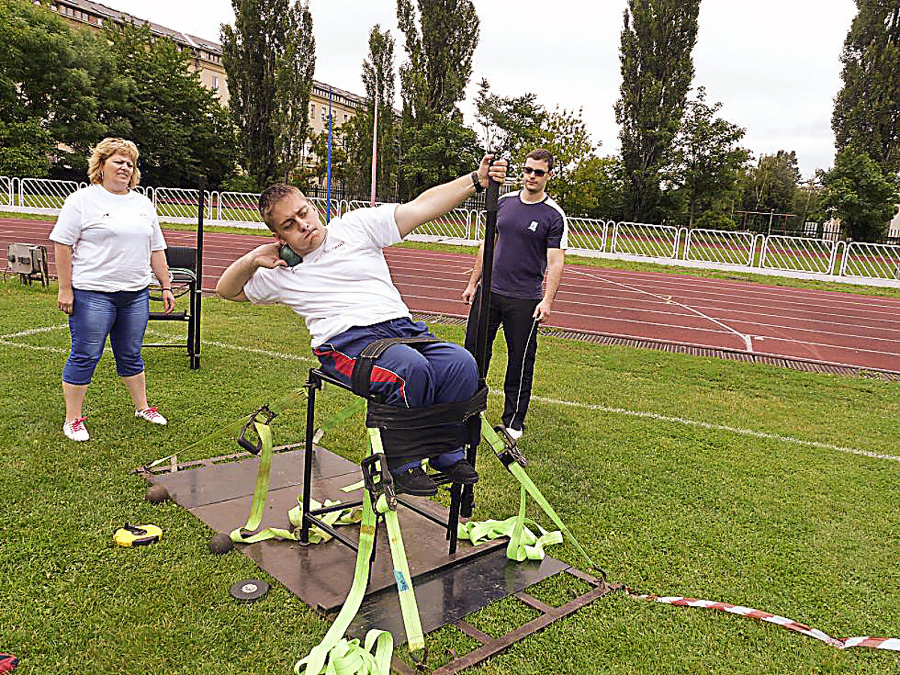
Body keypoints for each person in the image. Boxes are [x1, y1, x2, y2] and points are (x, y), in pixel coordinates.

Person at [216, 155, 507, 496]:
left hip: (401, 329)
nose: (303, 224)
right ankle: (400, 463)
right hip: (346, 343)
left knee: (462, 364)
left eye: (303, 213)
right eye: (290, 225)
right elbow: (227, 290)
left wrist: (476, 179)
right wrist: (252, 258)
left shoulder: (356, 226)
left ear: (312, 205)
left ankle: (446, 452)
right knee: (407, 370)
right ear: (278, 235)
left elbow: (422, 207)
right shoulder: (281, 271)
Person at [50, 138, 175, 442]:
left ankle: (142, 408)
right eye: (118, 161)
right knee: (86, 354)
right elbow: (62, 244)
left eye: (130, 164)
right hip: (92, 294)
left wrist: (166, 284)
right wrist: (65, 289)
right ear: (101, 164)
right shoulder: (82, 201)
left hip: (134, 294)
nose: (125, 167)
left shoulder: (143, 204)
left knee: (131, 353)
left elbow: (156, 248)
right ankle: (73, 419)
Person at [462, 148, 567, 440]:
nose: (531, 176)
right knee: (474, 352)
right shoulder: (504, 202)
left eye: (538, 172)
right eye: (527, 170)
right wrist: (473, 283)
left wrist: (547, 300)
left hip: (524, 299)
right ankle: (471, 407)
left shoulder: (553, 215)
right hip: (489, 292)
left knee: (519, 360)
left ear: (548, 175)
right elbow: (487, 244)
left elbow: (556, 261)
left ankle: (513, 421)